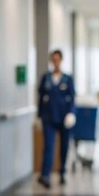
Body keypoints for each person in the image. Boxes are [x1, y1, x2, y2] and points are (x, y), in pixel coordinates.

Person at [37, 50, 76, 188]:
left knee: (64, 146)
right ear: (51, 61)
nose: (55, 62)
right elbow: (41, 98)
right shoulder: (46, 78)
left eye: (57, 59)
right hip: (48, 118)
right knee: (48, 146)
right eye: (53, 59)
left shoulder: (67, 78)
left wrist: (71, 113)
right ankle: (45, 175)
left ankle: (62, 172)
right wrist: (39, 116)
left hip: (64, 118)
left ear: (61, 60)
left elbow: (72, 98)